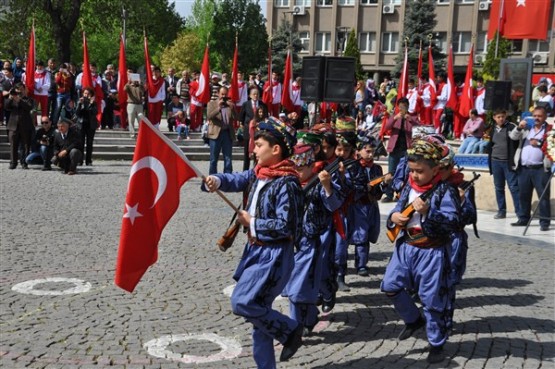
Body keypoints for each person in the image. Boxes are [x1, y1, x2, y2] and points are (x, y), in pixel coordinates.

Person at [202, 117, 304, 368]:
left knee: (243, 302)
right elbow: (237, 179)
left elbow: (286, 225)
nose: (254, 149)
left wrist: (253, 222)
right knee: (260, 318)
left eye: (259, 145)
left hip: (274, 256)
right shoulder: (259, 173)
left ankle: (290, 329)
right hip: (255, 251)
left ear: (276, 149)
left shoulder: (288, 182)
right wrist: (217, 181)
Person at [381, 139, 463, 364]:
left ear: (436, 169)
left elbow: (452, 223)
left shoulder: (445, 190)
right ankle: (413, 319)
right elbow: (399, 210)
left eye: (420, 171)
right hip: (406, 247)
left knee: (431, 299)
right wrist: (393, 217)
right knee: (390, 285)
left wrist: (429, 213)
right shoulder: (409, 184)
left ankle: (436, 343)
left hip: (432, 252)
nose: (414, 175)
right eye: (411, 170)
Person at [282, 143, 343, 337]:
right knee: (295, 287)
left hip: (310, 243)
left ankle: (294, 329)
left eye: (301, 168)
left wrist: (327, 185)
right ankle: (309, 319)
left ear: (310, 166)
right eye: (295, 168)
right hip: (288, 241)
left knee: (297, 290)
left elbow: (334, 205)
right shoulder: (288, 183)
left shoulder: (319, 183)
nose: (297, 172)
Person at [509, 106, 552, 231]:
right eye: (535, 116)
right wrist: (519, 127)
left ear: (544, 117)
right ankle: (523, 218)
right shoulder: (527, 128)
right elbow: (513, 137)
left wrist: (538, 144)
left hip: (540, 169)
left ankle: (544, 222)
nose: (536, 118)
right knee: (524, 195)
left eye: (539, 116)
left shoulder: (549, 130)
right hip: (524, 168)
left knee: (543, 196)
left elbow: (552, 145)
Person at [350, 137, 383, 276]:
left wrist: (384, 185)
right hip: (358, 205)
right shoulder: (353, 167)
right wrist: (367, 187)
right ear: (358, 151)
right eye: (367, 151)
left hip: (372, 205)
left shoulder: (377, 168)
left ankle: (364, 261)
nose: (370, 154)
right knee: (361, 234)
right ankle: (361, 264)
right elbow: (352, 186)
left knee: (370, 232)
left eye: (373, 152)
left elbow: (381, 188)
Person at [487, 109, 522, 220]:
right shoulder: (493, 129)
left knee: (513, 187)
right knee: (499, 188)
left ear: (505, 116)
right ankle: (501, 211)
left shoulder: (511, 127)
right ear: (494, 118)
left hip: (508, 163)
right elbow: (491, 144)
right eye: (498, 117)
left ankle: (520, 213)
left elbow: (517, 137)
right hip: (495, 162)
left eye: (502, 116)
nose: (501, 119)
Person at [382, 97, 419, 202]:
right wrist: (395, 118)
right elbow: (386, 127)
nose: (402, 108)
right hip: (394, 148)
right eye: (401, 106)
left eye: (405, 106)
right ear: (398, 107)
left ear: (408, 107)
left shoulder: (412, 117)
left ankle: (400, 194)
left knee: (404, 173)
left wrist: (409, 119)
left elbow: (419, 126)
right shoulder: (394, 116)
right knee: (391, 172)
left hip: (406, 150)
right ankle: (388, 194)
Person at [207, 86, 236, 174]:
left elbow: (236, 118)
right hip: (215, 134)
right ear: (218, 94)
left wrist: (232, 109)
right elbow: (209, 116)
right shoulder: (211, 103)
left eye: (225, 94)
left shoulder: (230, 104)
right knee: (213, 159)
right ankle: (213, 178)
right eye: (222, 94)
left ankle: (227, 178)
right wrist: (218, 108)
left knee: (228, 158)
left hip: (227, 133)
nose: (223, 96)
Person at [6, 83, 34, 169]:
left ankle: (24, 162)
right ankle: (13, 163)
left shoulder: (29, 99)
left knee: (25, 146)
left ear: (25, 90)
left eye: (22, 89)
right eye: (18, 89)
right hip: (13, 126)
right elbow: (6, 107)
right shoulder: (11, 99)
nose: (20, 91)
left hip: (25, 126)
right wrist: (11, 98)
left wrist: (19, 100)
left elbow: (29, 107)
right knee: (13, 145)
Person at [239, 86, 268, 171]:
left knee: (258, 153)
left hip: (259, 132)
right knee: (247, 154)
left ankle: (257, 170)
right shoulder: (246, 104)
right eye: (254, 94)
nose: (256, 96)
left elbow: (266, 117)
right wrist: (244, 125)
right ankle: (245, 171)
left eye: (257, 94)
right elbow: (241, 117)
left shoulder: (263, 104)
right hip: (248, 132)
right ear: (250, 95)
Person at [75, 86, 98, 166]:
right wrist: (79, 104)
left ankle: (88, 160)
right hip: (81, 124)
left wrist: (91, 104)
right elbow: (77, 113)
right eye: (85, 93)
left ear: (91, 95)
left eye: (88, 94)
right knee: (80, 143)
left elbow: (95, 112)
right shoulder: (80, 101)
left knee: (89, 143)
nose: (86, 95)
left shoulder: (94, 103)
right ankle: (79, 160)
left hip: (90, 125)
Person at [125, 70, 145, 138]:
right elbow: (124, 89)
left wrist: (140, 83)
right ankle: (132, 133)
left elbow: (143, 91)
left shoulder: (139, 86)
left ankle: (141, 133)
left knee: (140, 120)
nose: (135, 80)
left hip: (139, 104)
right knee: (131, 120)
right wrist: (129, 82)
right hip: (131, 104)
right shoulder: (129, 86)